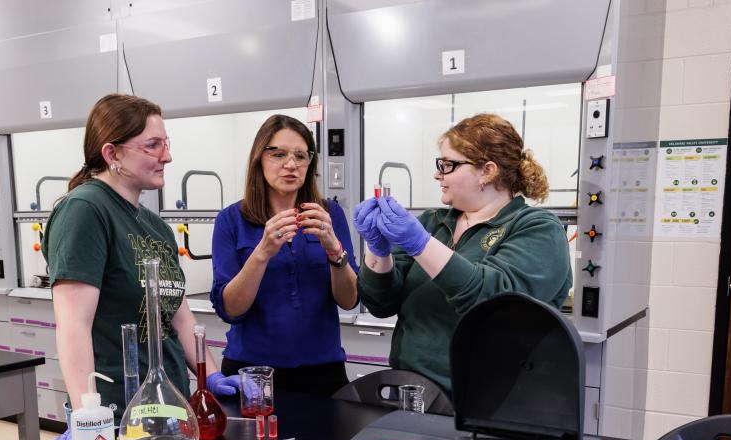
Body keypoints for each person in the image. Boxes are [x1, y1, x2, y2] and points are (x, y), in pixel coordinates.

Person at [43, 94, 239, 440]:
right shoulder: (85, 210)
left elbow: (179, 317)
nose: (167, 156)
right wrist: (88, 417)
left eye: (166, 144)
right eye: (153, 145)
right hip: (118, 417)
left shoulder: (155, 226)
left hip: (170, 409)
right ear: (112, 154)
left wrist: (208, 376)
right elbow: (73, 324)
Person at [355, 113, 572, 393]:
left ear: (488, 171)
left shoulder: (538, 228)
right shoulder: (433, 222)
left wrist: (420, 244)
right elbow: (380, 303)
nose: (437, 174)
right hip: (410, 391)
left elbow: (493, 302)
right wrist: (378, 250)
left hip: (485, 401)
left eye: (448, 165)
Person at [211, 115, 359, 396]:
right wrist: (262, 252)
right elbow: (231, 309)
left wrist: (334, 249)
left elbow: (349, 300)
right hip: (252, 373)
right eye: (278, 154)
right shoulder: (231, 220)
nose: (291, 164)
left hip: (323, 371)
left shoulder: (329, 214)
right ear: (259, 159)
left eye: (300, 156)